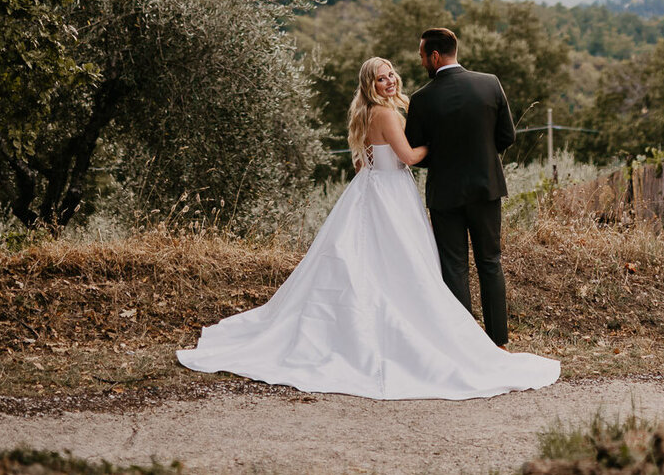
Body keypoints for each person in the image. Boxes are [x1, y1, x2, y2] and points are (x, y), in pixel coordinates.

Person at [176, 56, 558, 400]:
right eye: (380, 78)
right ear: (369, 85)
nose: (389, 80)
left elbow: (363, 163)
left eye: (391, 73)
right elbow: (408, 156)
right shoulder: (387, 114)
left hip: (372, 188)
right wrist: (443, 144)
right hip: (391, 193)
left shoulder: (369, 113)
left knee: (372, 261)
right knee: (401, 263)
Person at [404, 27, 516, 345]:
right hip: (486, 188)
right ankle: (498, 341)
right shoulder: (489, 84)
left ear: (435, 56)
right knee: (490, 262)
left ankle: (466, 345)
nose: (422, 60)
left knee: (454, 268)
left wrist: (442, 157)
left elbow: (415, 151)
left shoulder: (422, 99)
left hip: (445, 194)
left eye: (423, 55)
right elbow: (507, 137)